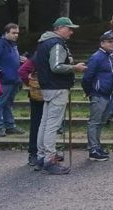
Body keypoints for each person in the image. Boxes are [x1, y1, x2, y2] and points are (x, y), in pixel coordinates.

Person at [33, 17, 86, 174]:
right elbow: (56, 66)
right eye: (69, 28)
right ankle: (50, 159)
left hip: (47, 86)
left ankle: (41, 156)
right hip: (57, 87)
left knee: (44, 123)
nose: (71, 31)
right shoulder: (56, 43)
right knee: (52, 125)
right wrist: (75, 67)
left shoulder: (43, 42)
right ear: (60, 28)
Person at [81, 33, 113, 161]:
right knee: (94, 122)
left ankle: (97, 145)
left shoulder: (110, 57)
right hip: (98, 94)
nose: (112, 44)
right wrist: (90, 92)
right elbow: (87, 77)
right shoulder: (97, 57)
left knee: (101, 122)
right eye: (109, 42)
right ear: (102, 43)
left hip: (108, 94)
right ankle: (93, 149)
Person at [0, 23, 26, 137]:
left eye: (17, 33)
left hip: (14, 79)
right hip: (4, 80)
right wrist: (2, 73)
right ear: (6, 33)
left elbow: (10, 60)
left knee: (7, 104)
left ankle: (10, 126)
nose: (16, 35)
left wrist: (20, 61)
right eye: (13, 33)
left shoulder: (12, 45)